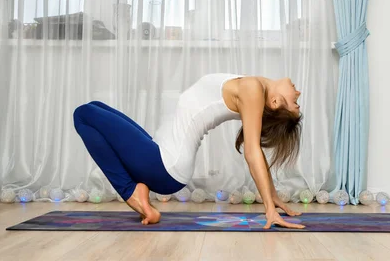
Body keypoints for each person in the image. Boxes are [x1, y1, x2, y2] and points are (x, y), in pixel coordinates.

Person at [73, 73, 304, 229]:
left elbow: (253, 151)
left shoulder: (253, 89)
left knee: (83, 114)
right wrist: (272, 195)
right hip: (160, 154)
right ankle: (136, 191)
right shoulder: (258, 87)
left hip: (164, 165)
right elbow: (256, 148)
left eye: (295, 104)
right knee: (95, 109)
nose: (298, 95)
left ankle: (132, 194)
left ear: (275, 102)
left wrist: (268, 210)